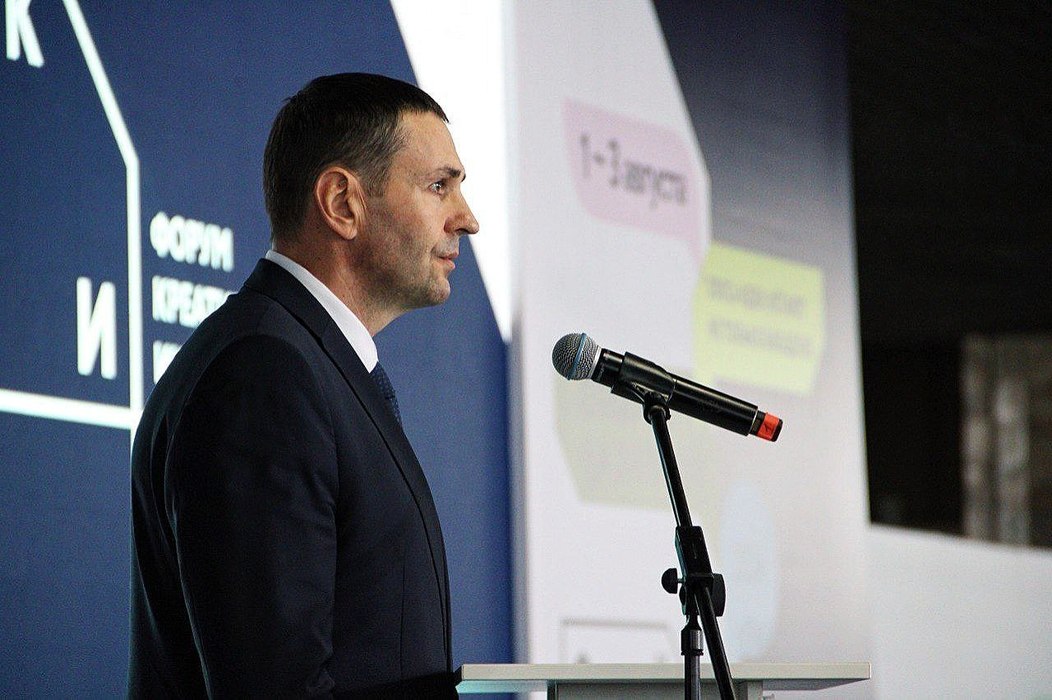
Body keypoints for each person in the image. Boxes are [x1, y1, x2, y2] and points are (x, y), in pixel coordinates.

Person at [129, 73, 479, 698]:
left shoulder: (303, 361)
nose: (467, 219)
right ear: (342, 203)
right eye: (438, 186)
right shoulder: (265, 372)